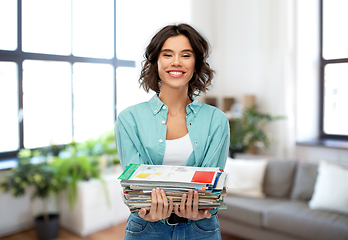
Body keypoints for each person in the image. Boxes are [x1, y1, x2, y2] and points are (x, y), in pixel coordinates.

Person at [114, 23, 230, 240]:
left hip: (201, 229)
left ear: (195, 64)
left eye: (185, 55)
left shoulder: (217, 120)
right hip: (146, 229)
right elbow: (134, 186)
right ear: (156, 62)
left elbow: (211, 187)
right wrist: (146, 209)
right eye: (168, 54)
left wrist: (201, 208)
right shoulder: (129, 119)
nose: (176, 61)